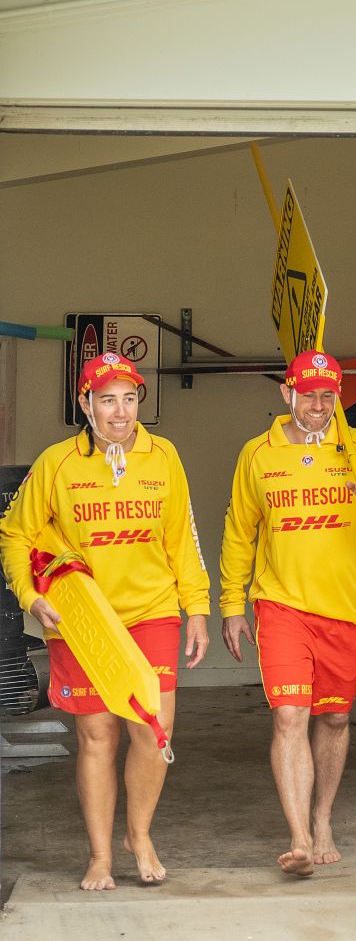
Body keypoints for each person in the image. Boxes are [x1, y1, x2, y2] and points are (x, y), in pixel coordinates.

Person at [0, 352, 210, 891]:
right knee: (97, 736)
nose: (120, 411)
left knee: (152, 729)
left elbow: (182, 541)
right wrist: (29, 595)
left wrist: (199, 610)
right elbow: (15, 534)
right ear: (85, 404)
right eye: (108, 399)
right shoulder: (57, 463)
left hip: (151, 614)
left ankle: (138, 836)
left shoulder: (164, 458)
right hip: (84, 618)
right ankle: (99, 856)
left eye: (130, 398)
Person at [219, 349, 356, 877]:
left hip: (347, 608)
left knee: (335, 716)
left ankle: (323, 818)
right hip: (280, 604)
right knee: (289, 715)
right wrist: (232, 605)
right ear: (288, 393)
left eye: (327, 395)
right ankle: (300, 835)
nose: (318, 405)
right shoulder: (258, 454)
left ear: (338, 396)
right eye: (308, 394)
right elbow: (240, 533)